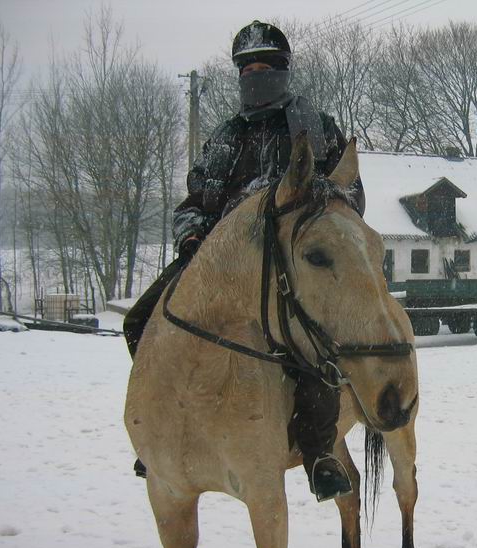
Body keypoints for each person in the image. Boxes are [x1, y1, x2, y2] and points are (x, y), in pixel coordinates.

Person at [124, 20, 365, 502]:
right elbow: (195, 202)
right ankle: (162, 430)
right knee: (139, 321)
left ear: (283, 71)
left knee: (312, 344)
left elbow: (349, 195)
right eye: (247, 70)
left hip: (286, 264)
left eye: (266, 68)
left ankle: (318, 451)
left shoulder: (316, 128)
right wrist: (192, 237)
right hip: (218, 264)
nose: (256, 77)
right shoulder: (227, 137)